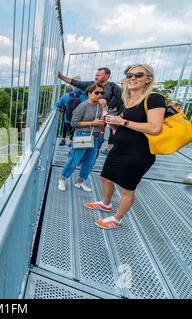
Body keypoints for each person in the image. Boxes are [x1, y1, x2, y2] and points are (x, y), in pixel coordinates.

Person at [85, 64, 166, 229]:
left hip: (139, 153)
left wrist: (122, 121)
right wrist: (113, 123)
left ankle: (117, 219)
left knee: (126, 190)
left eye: (138, 74)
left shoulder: (154, 98)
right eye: (129, 75)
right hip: (119, 149)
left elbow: (155, 129)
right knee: (105, 177)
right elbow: (122, 128)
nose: (132, 78)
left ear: (148, 79)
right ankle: (106, 204)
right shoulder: (128, 100)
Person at [58, 67, 122, 154]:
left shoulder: (113, 87)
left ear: (107, 76)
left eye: (99, 75)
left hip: (100, 124)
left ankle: (88, 159)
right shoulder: (91, 84)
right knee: (78, 151)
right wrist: (59, 76)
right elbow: (75, 82)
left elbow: (123, 99)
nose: (96, 77)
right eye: (96, 75)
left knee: (95, 147)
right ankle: (76, 155)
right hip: (86, 121)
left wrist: (118, 113)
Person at [58, 82, 107, 192]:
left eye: (102, 93)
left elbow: (105, 117)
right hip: (83, 135)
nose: (100, 95)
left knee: (89, 162)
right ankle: (62, 179)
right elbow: (73, 123)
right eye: (97, 92)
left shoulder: (100, 105)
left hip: (95, 136)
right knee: (74, 160)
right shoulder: (82, 106)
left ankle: (80, 182)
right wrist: (92, 123)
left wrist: (104, 106)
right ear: (89, 93)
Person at [55, 81, 87, 146]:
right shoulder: (85, 96)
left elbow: (58, 104)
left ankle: (63, 139)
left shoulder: (67, 95)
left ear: (73, 86)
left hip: (67, 116)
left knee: (65, 126)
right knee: (74, 128)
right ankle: (72, 141)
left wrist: (64, 106)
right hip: (79, 118)